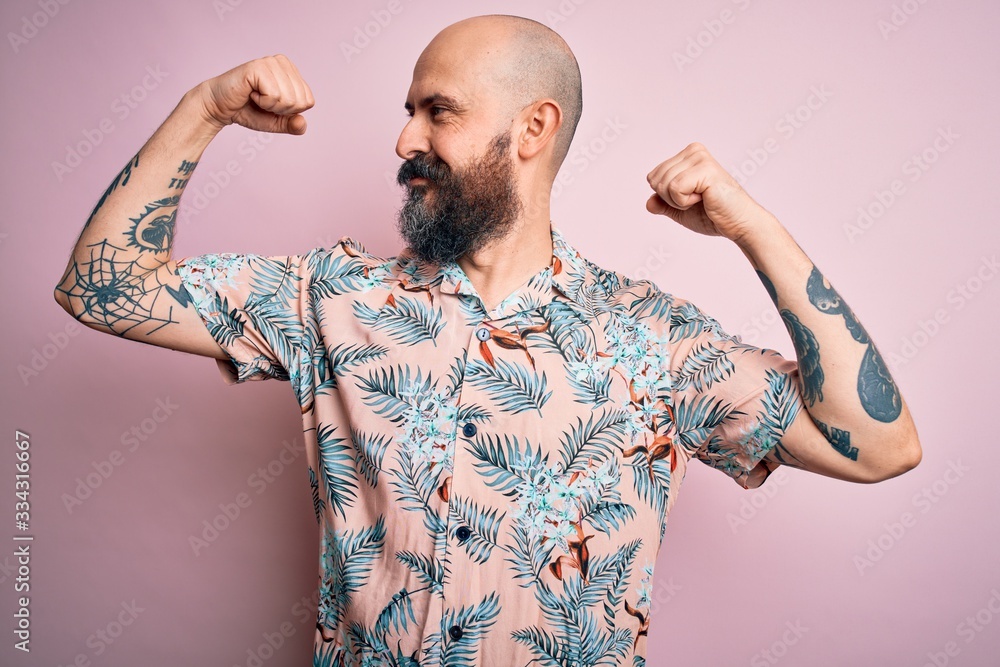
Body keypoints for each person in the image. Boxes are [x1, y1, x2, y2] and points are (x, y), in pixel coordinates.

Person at [53, 13, 921, 667]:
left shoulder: (650, 340)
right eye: (409, 110)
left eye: (439, 111)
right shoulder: (330, 297)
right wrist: (203, 110)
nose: (404, 139)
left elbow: (880, 445)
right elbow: (101, 289)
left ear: (532, 130)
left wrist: (751, 226)